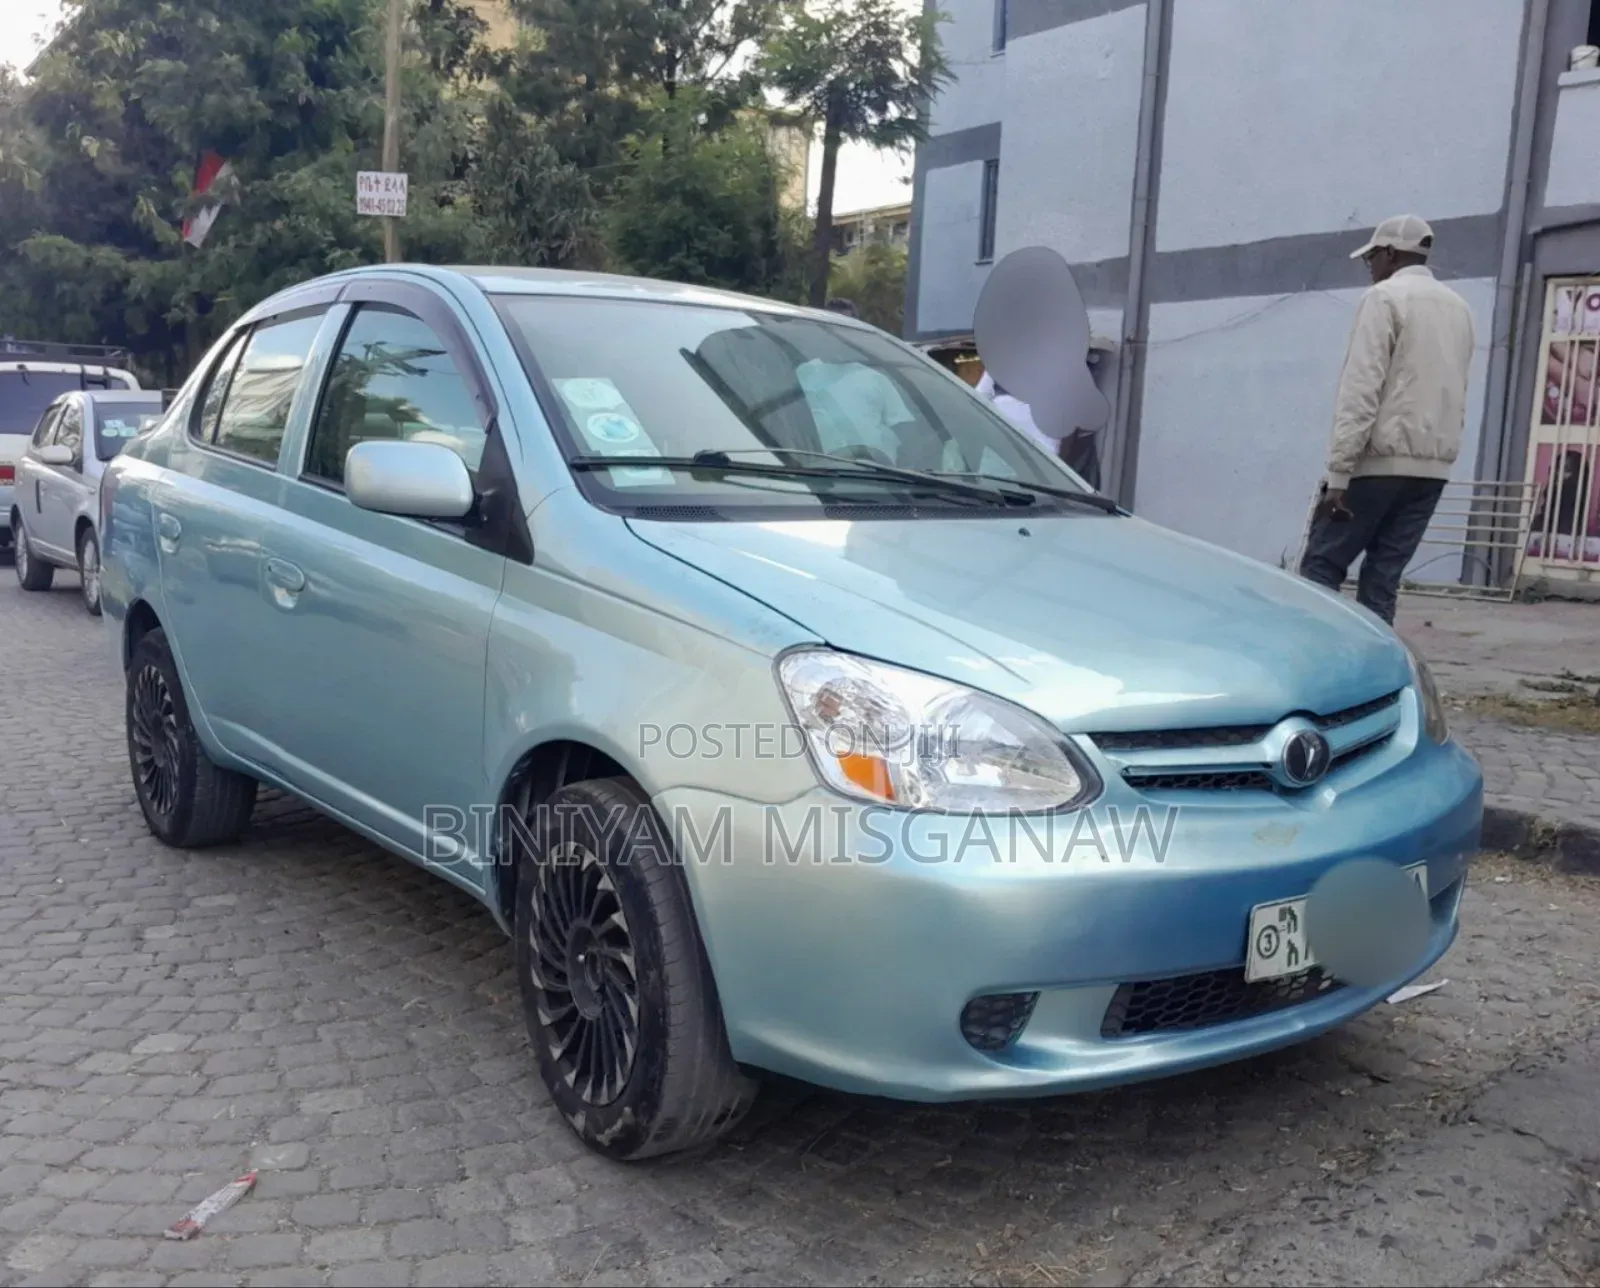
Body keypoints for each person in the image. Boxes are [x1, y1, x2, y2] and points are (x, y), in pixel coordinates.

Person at [1298, 215, 1476, 625]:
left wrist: (1339, 474)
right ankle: (1379, 674)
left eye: (1372, 258)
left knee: (1320, 570)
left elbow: (1361, 389)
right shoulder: (1460, 308)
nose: (1370, 268)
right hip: (1431, 471)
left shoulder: (1384, 299)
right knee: (1382, 579)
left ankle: (1318, 668)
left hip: (1376, 464)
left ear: (1391, 254)